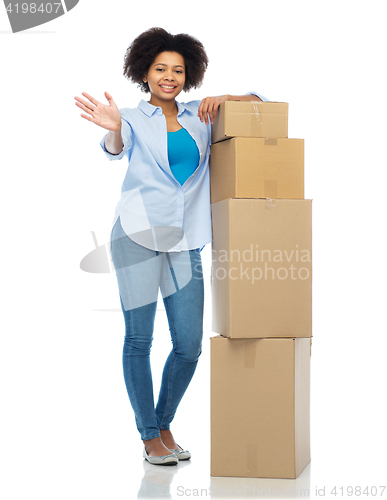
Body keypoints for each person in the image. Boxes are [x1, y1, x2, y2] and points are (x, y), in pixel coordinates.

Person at [75, 27, 268, 466]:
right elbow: (113, 146)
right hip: (137, 236)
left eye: (178, 70)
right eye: (161, 68)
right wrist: (115, 129)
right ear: (144, 71)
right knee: (139, 338)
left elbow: (261, 105)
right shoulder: (130, 117)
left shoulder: (200, 115)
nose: (169, 76)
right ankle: (149, 437)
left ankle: (163, 424)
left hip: (185, 240)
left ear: (190, 74)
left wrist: (229, 98)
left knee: (188, 345)